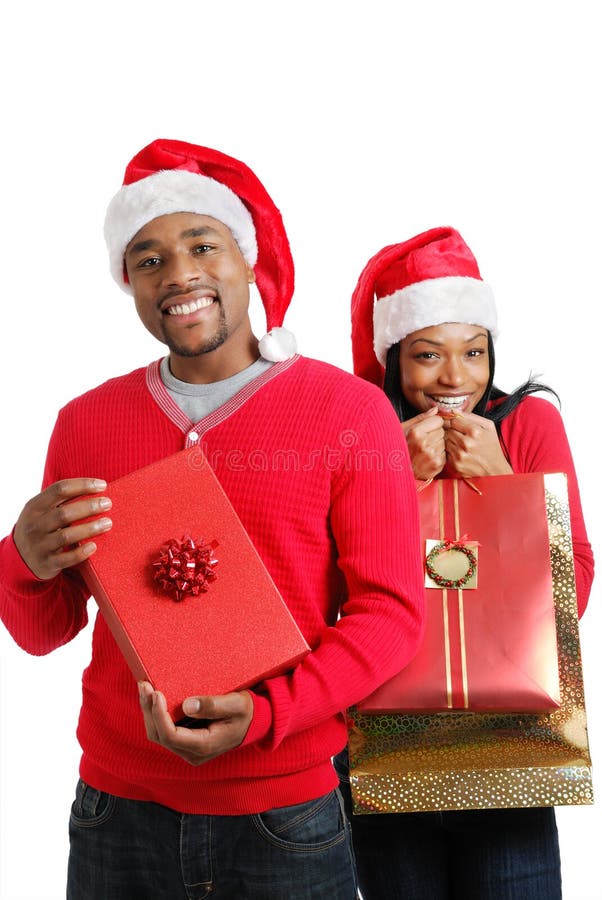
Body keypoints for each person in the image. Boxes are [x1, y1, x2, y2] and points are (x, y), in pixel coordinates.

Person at [0, 139, 426, 900]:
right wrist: (20, 562)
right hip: (114, 811)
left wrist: (269, 715)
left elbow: (390, 616)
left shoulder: (348, 412)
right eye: (149, 258)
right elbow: (44, 632)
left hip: (284, 814)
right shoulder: (85, 423)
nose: (180, 273)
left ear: (246, 258)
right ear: (128, 281)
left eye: (203, 244)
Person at [339, 226, 594, 900]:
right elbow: (327, 588)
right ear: (393, 358)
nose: (456, 378)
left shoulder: (529, 424)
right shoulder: (358, 439)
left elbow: (575, 592)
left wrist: (505, 481)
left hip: (510, 741)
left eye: (474, 353)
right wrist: (392, 475)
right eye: (429, 355)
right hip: (386, 744)